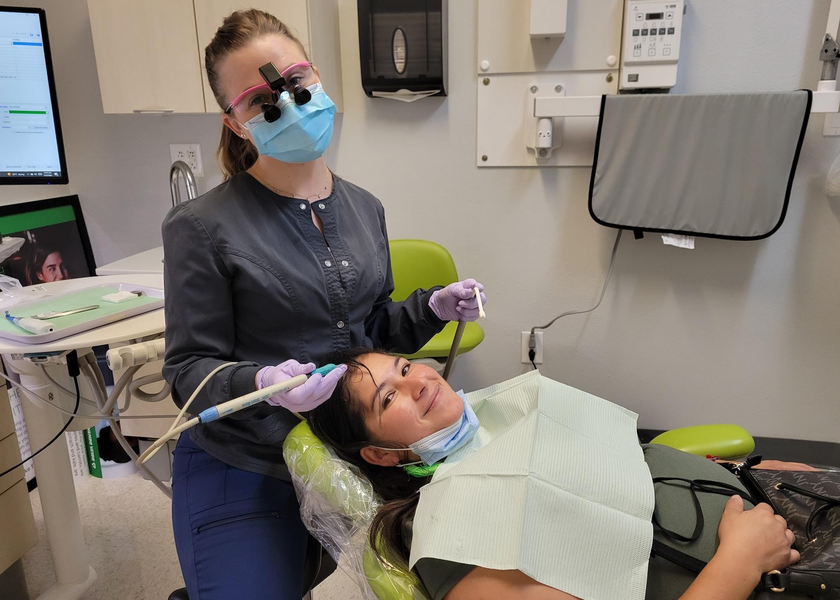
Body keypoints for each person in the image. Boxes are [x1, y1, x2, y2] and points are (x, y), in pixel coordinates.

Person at [161, 9, 486, 600]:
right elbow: (187, 372)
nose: (287, 104)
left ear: (316, 77)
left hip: (344, 451)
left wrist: (431, 309)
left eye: (295, 81)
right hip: (247, 459)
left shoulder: (365, 208)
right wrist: (261, 380)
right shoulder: (199, 227)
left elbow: (370, 331)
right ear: (236, 124)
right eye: (261, 101)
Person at [308, 349, 814, 600]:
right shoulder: (449, 540)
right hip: (769, 572)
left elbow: (625, 471)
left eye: (403, 366)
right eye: (388, 397)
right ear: (378, 455)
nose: (417, 381)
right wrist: (742, 560)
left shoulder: (510, 418)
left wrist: (742, 473)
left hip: (769, 501)